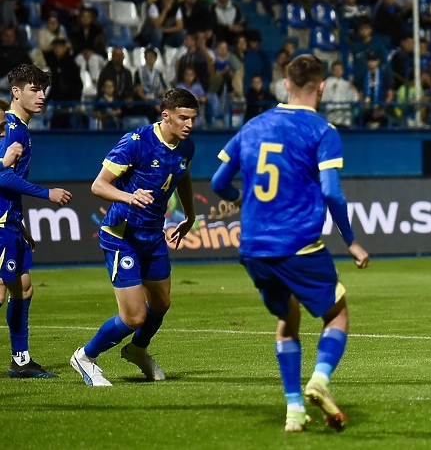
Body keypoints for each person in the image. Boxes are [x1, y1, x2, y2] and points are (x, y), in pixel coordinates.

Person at [210, 55, 369, 433]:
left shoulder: (252, 126)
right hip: (298, 244)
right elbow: (332, 193)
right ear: (321, 87)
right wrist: (350, 241)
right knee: (338, 314)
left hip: (253, 248)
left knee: (288, 319)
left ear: (285, 84)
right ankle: (320, 380)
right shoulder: (322, 131)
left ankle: (294, 410)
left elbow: (217, 182)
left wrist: (238, 199)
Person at [70, 89, 199, 386]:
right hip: (121, 235)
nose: (189, 124)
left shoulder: (185, 148)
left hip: (153, 235)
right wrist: (129, 197)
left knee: (162, 304)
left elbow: (183, 177)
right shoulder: (136, 142)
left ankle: (137, 350)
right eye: (183, 117)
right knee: (134, 317)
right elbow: (99, 186)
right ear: (165, 115)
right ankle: (86, 357)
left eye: (192, 118)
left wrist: (190, 215)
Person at [1, 65, 73, 378]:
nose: (41, 96)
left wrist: (22, 226)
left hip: (11, 222)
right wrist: (48, 194)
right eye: (33, 89)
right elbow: (2, 175)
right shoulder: (11, 128)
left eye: (43, 89)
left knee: (23, 288)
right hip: (1, 224)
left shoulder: (21, 128)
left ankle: (20, 361)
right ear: (15, 92)